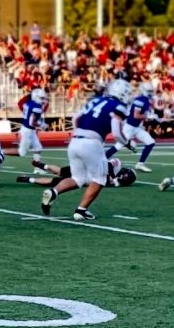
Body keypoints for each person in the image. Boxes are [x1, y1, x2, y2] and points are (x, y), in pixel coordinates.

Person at [39, 78, 130, 221]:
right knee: (100, 179)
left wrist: (79, 133)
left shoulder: (96, 100)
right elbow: (117, 132)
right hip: (92, 143)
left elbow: (75, 118)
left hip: (75, 141)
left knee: (78, 178)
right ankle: (81, 210)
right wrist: (128, 143)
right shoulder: (119, 106)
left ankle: (53, 191)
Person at [106, 80, 157, 172]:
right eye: (148, 91)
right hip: (129, 127)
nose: (150, 93)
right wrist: (148, 116)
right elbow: (136, 115)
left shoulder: (146, 100)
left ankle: (140, 164)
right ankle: (103, 160)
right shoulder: (139, 100)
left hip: (137, 128)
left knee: (150, 142)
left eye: (151, 91)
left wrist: (151, 116)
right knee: (119, 145)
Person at [20, 157, 134, 189]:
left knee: (55, 180)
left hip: (84, 176)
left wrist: (113, 180)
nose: (123, 177)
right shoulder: (116, 165)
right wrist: (112, 177)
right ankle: (40, 167)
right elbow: (108, 165)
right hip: (84, 170)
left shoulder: (115, 182)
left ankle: (29, 179)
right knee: (59, 174)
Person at [17, 88, 47, 165]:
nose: (43, 100)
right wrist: (41, 125)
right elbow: (31, 123)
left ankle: (38, 167)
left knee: (38, 148)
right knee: (21, 153)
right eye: (41, 98)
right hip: (28, 130)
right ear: (36, 97)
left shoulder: (29, 103)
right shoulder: (37, 107)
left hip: (29, 129)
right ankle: (2, 152)